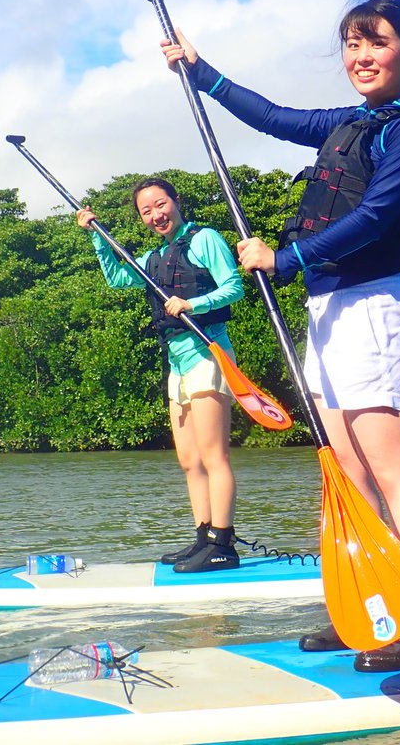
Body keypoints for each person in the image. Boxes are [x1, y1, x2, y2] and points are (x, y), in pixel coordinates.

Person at [160, 0, 400, 670]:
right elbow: (277, 118)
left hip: (374, 307)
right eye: (352, 45)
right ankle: (368, 606)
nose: (362, 56)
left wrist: (286, 257)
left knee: (392, 471)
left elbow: (379, 217)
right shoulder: (358, 121)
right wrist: (202, 71)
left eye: (378, 43)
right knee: (347, 471)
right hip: (326, 312)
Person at [77, 177, 245, 573]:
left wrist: (194, 302)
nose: (155, 215)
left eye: (160, 204)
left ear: (176, 201)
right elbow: (117, 279)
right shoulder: (153, 258)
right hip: (178, 363)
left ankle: (224, 543)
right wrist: (98, 238)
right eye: (146, 211)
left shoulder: (205, 239)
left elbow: (234, 287)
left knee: (213, 455)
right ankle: (203, 537)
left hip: (208, 355)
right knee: (189, 460)